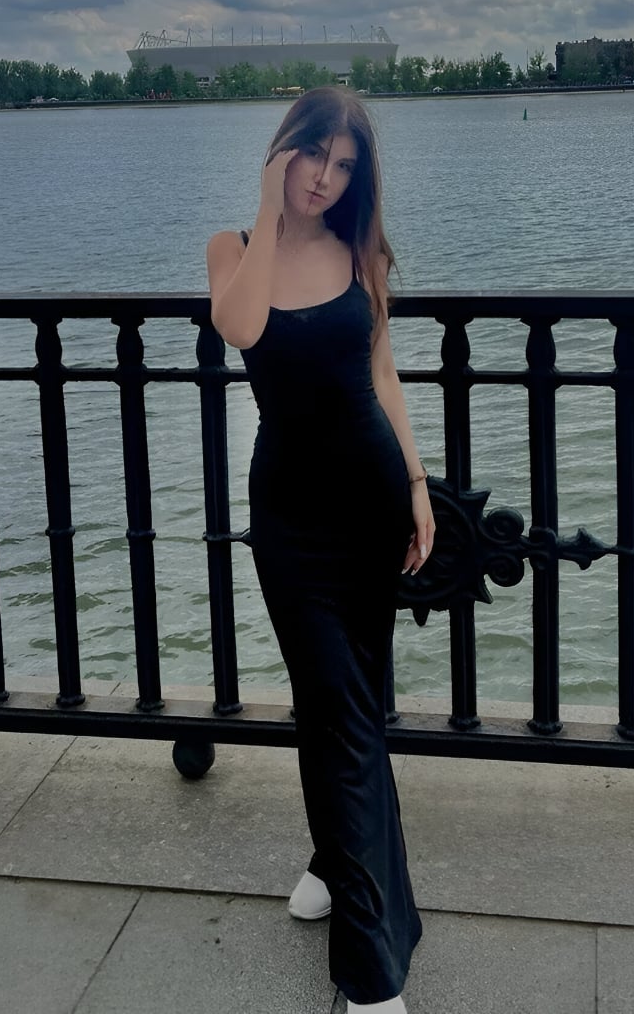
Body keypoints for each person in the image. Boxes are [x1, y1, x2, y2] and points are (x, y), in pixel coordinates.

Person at [207, 86, 435, 1014]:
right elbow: (240, 328)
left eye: (343, 166)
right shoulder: (234, 249)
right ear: (283, 151)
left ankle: (334, 868)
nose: (324, 179)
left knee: (348, 706)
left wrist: (416, 485)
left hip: (370, 501)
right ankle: (373, 971)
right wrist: (269, 210)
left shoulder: (360, 252)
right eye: (313, 156)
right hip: (292, 518)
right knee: (335, 703)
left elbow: (382, 372)